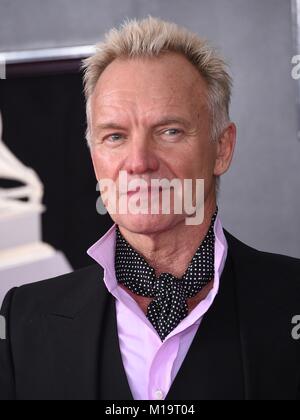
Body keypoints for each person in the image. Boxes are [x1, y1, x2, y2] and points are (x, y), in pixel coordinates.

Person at [0, 16, 299, 401]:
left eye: (169, 131)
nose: (139, 161)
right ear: (94, 158)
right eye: (115, 136)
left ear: (221, 149)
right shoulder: (24, 319)